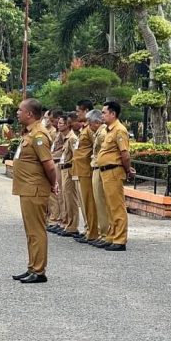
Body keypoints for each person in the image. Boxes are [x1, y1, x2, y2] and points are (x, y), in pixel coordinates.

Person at [11, 98, 59, 284]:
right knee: (30, 231)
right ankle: (32, 267)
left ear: (30, 114)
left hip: (35, 189)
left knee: (37, 231)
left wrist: (53, 184)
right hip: (27, 189)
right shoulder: (29, 133)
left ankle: (39, 271)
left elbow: (49, 165)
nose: (17, 113)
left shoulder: (39, 135)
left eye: (20, 110)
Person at [97, 101, 135, 251]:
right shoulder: (108, 130)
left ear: (113, 114)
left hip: (113, 171)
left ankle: (120, 240)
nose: (102, 115)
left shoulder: (119, 130)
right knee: (110, 206)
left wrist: (128, 170)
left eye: (104, 112)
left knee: (117, 206)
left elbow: (125, 154)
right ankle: (112, 236)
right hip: (106, 171)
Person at [72, 100, 99, 244]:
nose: (77, 114)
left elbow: (96, 147)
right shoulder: (84, 128)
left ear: (86, 111)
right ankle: (88, 229)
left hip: (86, 169)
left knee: (89, 202)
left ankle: (93, 232)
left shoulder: (90, 129)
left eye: (79, 111)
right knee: (84, 203)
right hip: (80, 169)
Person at [58, 112, 81, 237]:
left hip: (69, 170)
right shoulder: (65, 138)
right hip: (63, 169)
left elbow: (76, 156)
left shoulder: (72, 138)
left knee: (71, 199)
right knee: (65, 198)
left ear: (67, 125)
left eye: (61, 123)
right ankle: (68, 224)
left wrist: (73, 173)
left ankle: (73, 226)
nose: (58, 125)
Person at [89, 113, 110, 248]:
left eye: (90, 123)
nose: (89, 126)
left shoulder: (102, 134)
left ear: (96, 122)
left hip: (100, 167)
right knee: (99, 203)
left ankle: (105, 233)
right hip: (97, 167)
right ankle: (102, 233)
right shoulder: (100, 133)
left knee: (102, 203)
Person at [47, 109, 66, 233]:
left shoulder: (63, 134)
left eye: (53, 120)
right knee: (54, 194)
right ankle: (56, 219)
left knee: (60, 194)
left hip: (60, 163)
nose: (53, 123)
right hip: (55, 161)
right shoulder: (57, 133)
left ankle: (60, 220)